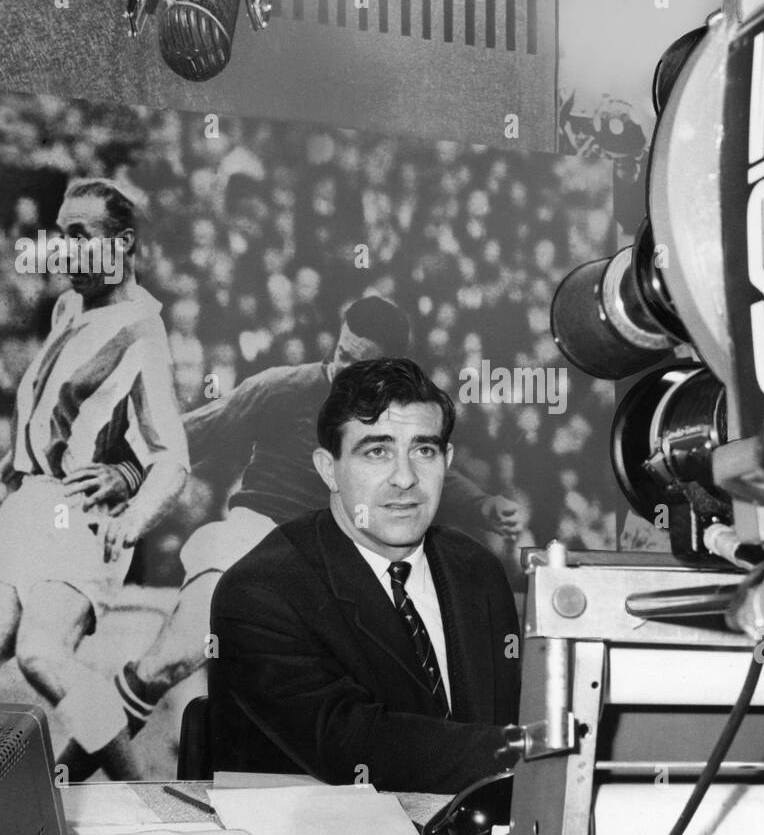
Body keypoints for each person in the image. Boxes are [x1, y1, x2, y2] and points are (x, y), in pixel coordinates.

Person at [73, 296, 524, 779]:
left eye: (356, 362)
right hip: (256, 534)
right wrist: (127, 468)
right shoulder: (282, 387)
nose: (339, 367)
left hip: (337, 558)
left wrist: (481, 505)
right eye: (340, 352)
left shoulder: (402, 442)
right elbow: (199, 431)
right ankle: (65, 779)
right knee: (176, 653)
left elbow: (416, 469)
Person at [208, 358, 521, 792]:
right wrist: (529, 749)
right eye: (377, 452)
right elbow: (352, 745)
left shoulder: (477, 569)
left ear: (446, 462)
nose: (406, 478)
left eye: (424, 450)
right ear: (327, 468)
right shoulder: (262, 590)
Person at [0, 179, 189, 773]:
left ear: (123, 243)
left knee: (39, 654)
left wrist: (132, 514)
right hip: (24, 506)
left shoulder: (143, 333)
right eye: (59, 235)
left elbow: (173, 458)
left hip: (74, 519)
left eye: (79, 237)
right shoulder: (69, 306)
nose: (63, 250)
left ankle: (135, 791)